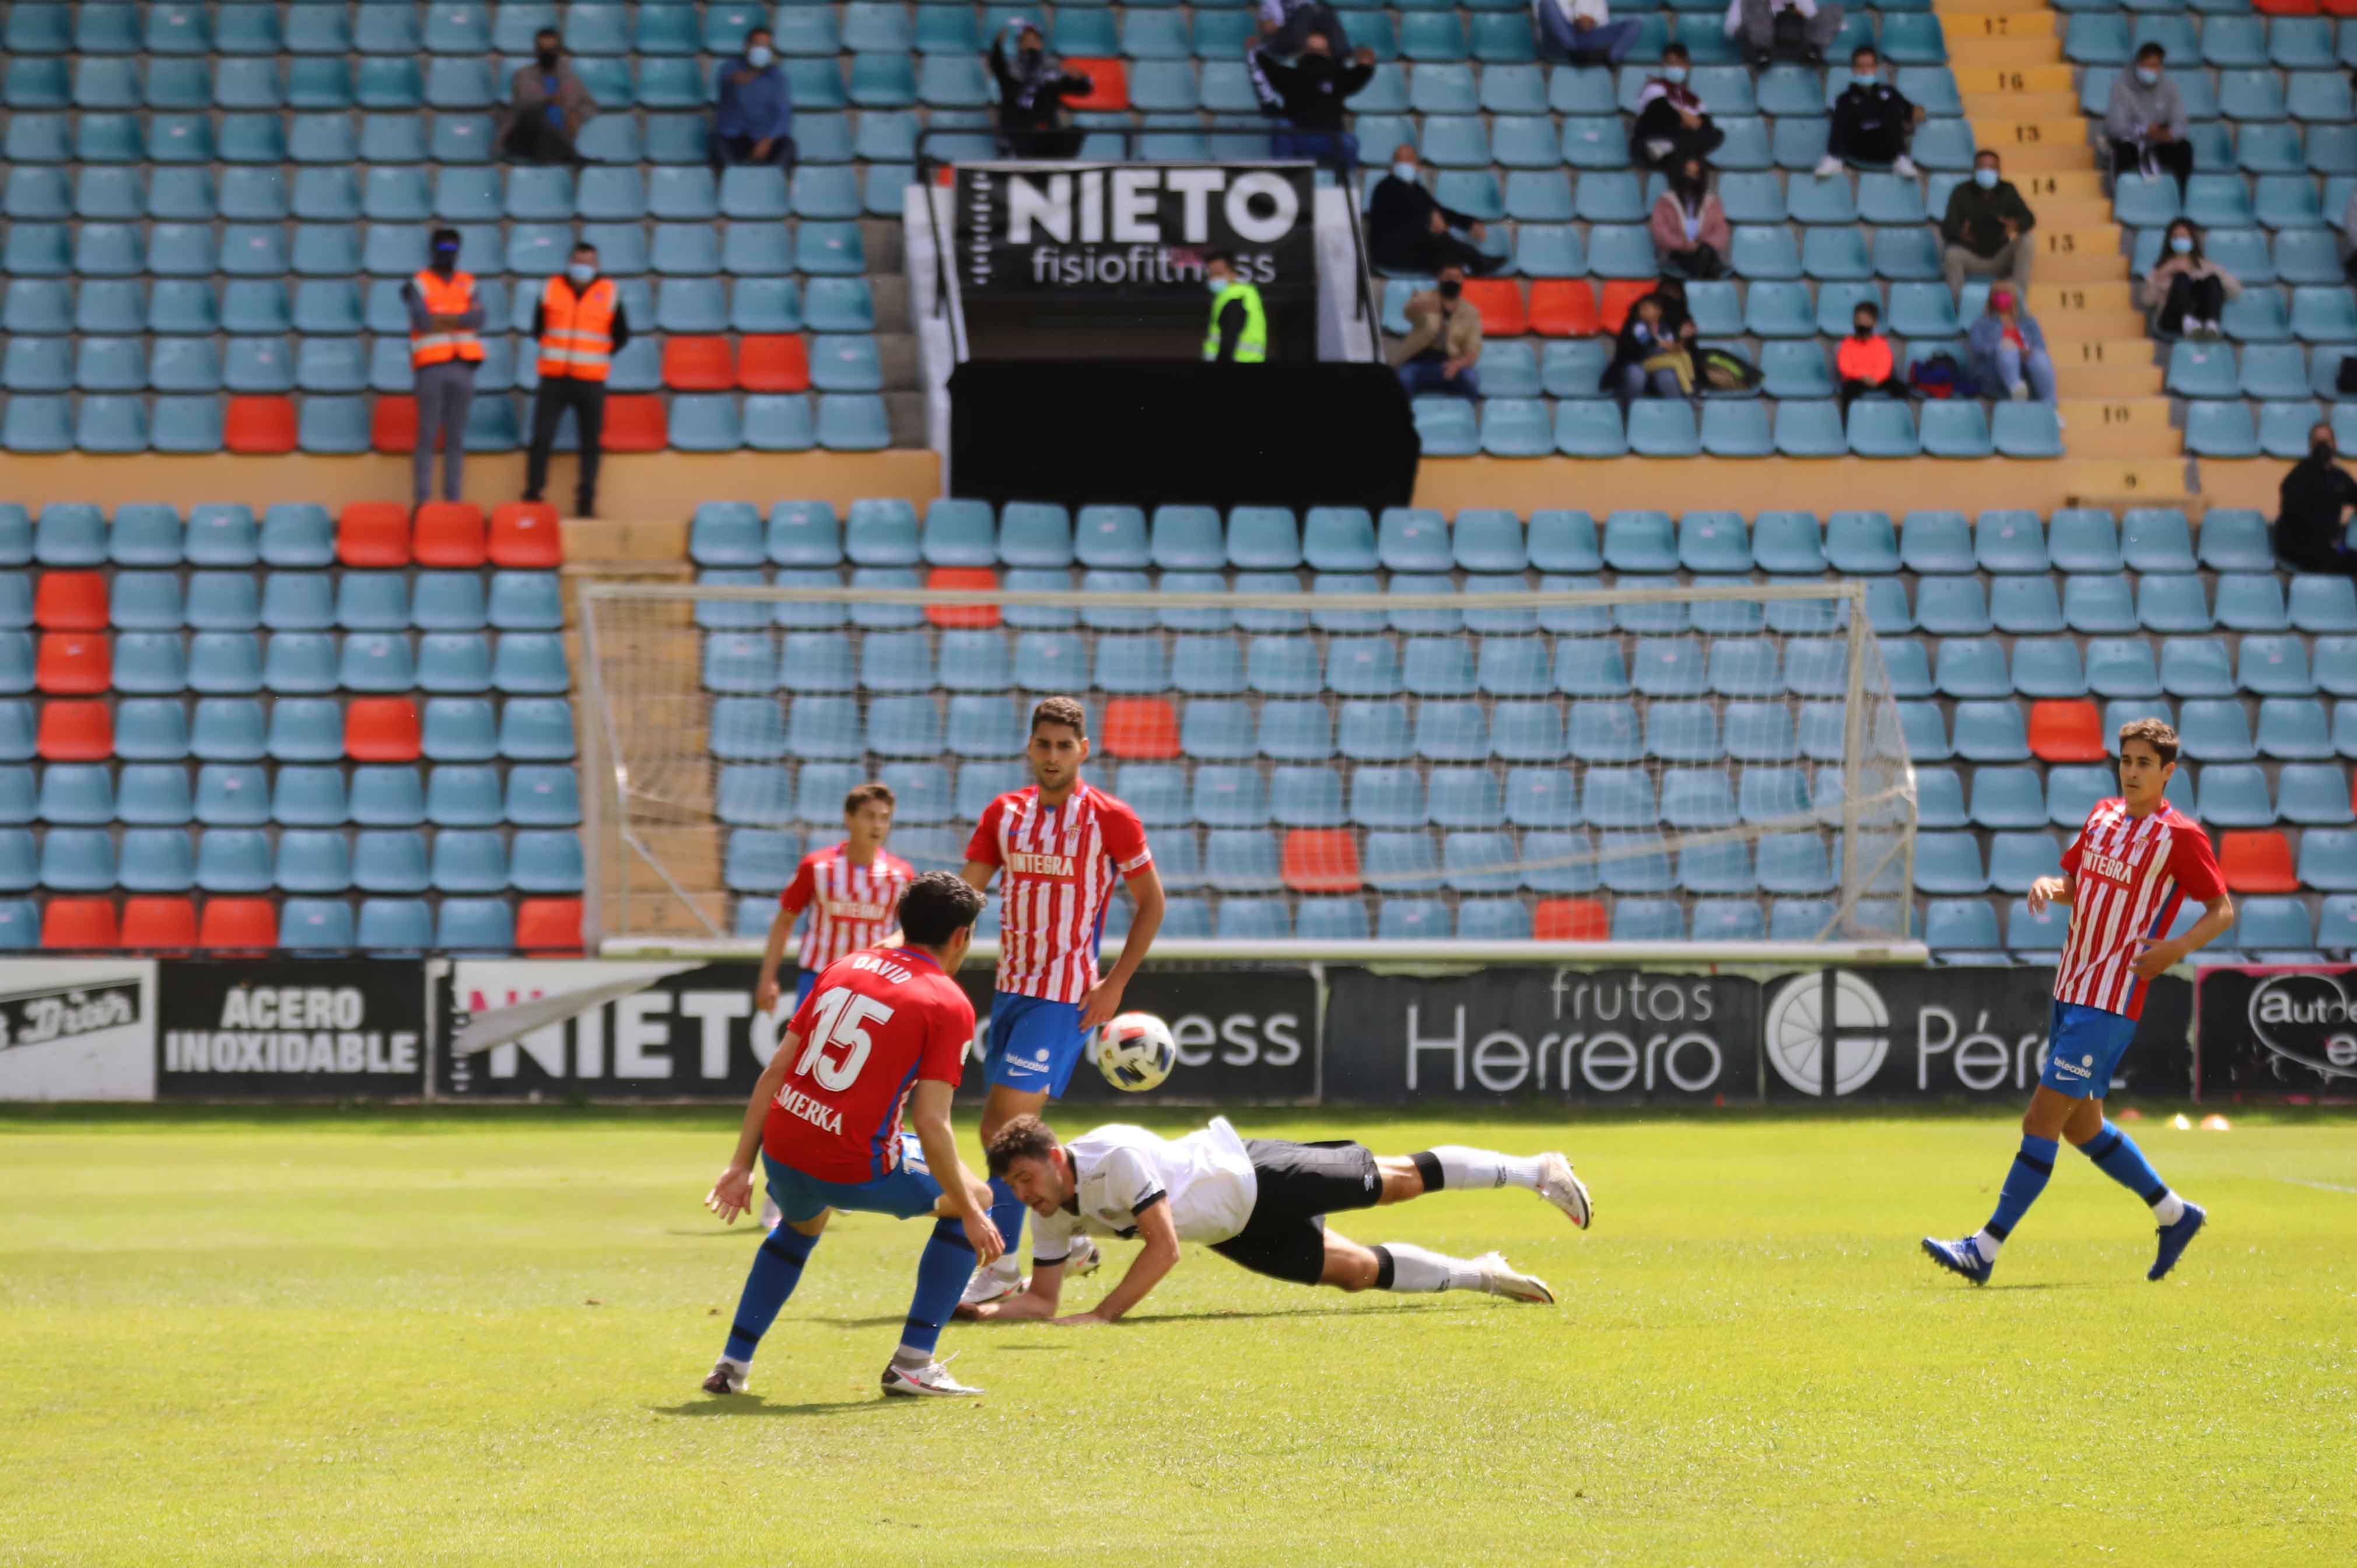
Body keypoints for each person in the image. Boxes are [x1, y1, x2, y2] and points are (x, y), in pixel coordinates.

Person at [1923, 719, 2230, 1289]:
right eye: (2127, 760)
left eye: (2145, 763)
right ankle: (2174, 1213)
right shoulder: (2103, 816)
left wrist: (2175, 950)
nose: (2133, 771)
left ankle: (1982, 1249)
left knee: (2040, 1117)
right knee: (2082, 1126)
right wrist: (2048, 884)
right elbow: (2079, 884)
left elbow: (2222, 909)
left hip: (2111, 999)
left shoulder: (2181, 837)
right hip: (2072, 988)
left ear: (2168, 772)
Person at [699, 872, 1004, 1399]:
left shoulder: (845, 967)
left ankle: (731, 1364)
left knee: (799, 1226)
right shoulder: (947, 1002)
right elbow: (932, 1122)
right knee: (975, 1195)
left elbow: (775, 1071)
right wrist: (974, 1212)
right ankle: (914, 1363)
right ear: (961, 937)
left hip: (785, 1149)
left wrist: (740, 1164)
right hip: (854, 1163)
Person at [959, 1115, 1591, 1323]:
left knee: (1396, 1182)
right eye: (1013, 1184)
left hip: (1253, 1174)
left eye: (1024, 1178)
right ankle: (1482, 1274)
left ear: (1053, 1156)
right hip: (1235, 1230)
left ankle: (1536, 1169)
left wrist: (1101, 1315)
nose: (1022, 1193)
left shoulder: (1113, 1158)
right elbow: (1042, 1301)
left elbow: (1164, 1248)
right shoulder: (1050, 1212)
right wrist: (974, 1314)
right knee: (1356, 1272)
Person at [954, 696, 1167, 1310]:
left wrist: (1116, 983)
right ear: (1030, 747)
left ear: (1083, 749)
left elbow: (1151, 902)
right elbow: (965, 895)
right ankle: (1068, 1236)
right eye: (1043, 744)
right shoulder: (1005, 812)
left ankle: (1003, 1265)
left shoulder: (1109, 817)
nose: (1052, 756)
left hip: (1062, 995)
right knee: (998, 1130)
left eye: (1063, 746)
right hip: (1011, 988)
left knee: (1005, 1131)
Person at [755, 782, 916, 1023]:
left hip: (874, 983)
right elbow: (785, 920)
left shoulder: (901, 874)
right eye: (869, 816)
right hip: (819, 977)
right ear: (848, 818)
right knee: (804, 1055)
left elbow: (912, 931)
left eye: (884, 818)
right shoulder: (817, 867)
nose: (877, 826)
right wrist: (768, 979)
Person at [521, 241, 629, 519]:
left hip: (591, 380)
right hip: (554, 378)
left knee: (590, 442)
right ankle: (533, 494)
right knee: (542, 438)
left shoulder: (610, 292)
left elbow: (622, 334)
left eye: (588, 262)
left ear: (596, 266)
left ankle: (586, 500)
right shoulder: (551, 288)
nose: (583, 267)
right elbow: (537, 328)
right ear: (570, 262)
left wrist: (599, 354)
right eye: (578, 261)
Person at [403, 228, 483, 507]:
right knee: (427, 436)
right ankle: (423, 502)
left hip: (463, 367)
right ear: (433, 249)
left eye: (453, 248)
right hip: (431, 367)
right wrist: (460, 318)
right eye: (443, 247)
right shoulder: (419, 283)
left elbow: (479, 318)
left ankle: (453, 503)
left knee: (456, 439)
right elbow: (423, 322)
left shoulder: (468, 282)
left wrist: (442, 317)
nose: (448, 253)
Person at [1250, 30, 1375, 174]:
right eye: (1312, 50)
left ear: (1329, 53)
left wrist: (1357, 52)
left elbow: (1365, 66)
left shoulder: (1339, 77)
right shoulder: (1290, 76)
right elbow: (1264, 63)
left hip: (1330, 139)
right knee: (1281, 126)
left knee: (1349, 142)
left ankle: (1345, 190)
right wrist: (1257, 47)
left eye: (1320, 51)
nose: (1316, 57)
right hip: (1298, 138)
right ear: (1304, 52)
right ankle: (1284, 181)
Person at [1365, 145, 1497, 276]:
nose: (1405, 165)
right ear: (1393, 166)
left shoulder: (1417, 189)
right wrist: (1429, 222)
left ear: (1418, 167)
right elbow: (1404, 218)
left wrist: (1469, 224)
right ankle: (1476, 263)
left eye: (1409, 160)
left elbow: (1438, 210)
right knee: (1442, 240)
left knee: (1443, 244)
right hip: (1391, 254)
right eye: (1401, 161)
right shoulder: (1384, 188)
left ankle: (1470, 267)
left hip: (1414, 250)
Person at [987, 20, 1093, 159]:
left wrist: (1081, 78)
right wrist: (997, 45)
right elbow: (997, 64)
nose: (1031, 43)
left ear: (1041, 44)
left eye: (1035, 39)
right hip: (1018, 132)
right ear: (1019, 44)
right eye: (1026, 40)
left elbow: (1084, 89)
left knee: (1076, 133)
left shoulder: (1052, 73)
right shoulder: (1010, 71)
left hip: (1047, 131)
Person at [1941, 149, 2036, 296]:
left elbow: (2029, 219)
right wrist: (1961, 234)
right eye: (1982, 168)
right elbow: (1947, 228)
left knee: (2027, 240)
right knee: (1952, 254)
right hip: (1971, 256)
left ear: (1999, 171)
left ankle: (2018, 299)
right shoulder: (1961, 192)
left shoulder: (2008, 190)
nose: (1987, 172)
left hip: (2000, 256)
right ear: (1974, 170)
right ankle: (1957, 308)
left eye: (1991, 168)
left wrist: (2014, 225)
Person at [1818, 45, 1921, 178]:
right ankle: (1834, 158)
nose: (1865, 71)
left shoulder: (1889, 92)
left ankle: (1901, 158)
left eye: (1869, 66)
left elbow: (1914, 111)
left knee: (1892, 103)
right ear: (1854, 70)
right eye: (1860, 66)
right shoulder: (1846, 98)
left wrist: (1912, 117)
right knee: (1842, 106)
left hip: (1886, 147)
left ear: (1875, 68)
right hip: (1858, 146)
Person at [496, 28, 595, 166]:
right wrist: (548, 101)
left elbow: (590, 105)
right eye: (543, 49)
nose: (548, 54)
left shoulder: (569, 78)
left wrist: (578, 115)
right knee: (535, 118)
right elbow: (524, 105)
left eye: (552, 50)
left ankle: (565, 155)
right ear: (536, 51)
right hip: (524, 141)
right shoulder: (524, 76)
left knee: (556, 133)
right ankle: (570, 157)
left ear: (559, 51)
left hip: (557, 144)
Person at [2106, 42, 2191, 202]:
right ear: (2139, 64)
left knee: (2184, 149)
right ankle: (2120, 200)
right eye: (2148, 65)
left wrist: (2167, 135)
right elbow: (2115, 127)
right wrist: (2142, 130)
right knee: (2121, 150)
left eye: (2156, 66)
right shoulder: (2121, 87)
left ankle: (2180, 201)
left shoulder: (2170, 88)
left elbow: (2181, 124)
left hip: (2160, 142)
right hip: (2133, 142)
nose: (2152, 70)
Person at [2274, 422, 2357, 576]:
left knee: (2345, 553)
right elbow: (2295, 516)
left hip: (2331, 545)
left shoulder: (2340, 477)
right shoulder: (2297, 477)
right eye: (2319, 442)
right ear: (2311, 446)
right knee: (2330, 555)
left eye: (2327, 442)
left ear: (2335, 445)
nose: (2324, 447)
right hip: (2300, 544)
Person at [1393, 264, 1484, 399]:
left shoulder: (1471, 313)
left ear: (1462, 281)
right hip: (1419, 361)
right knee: (1404, 380)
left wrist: (1458, 364)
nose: (1452, 281)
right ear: (1439, 279)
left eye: (1456, 278)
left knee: (1471, 380)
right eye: (1448, 277)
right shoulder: (1425, 298)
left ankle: (1465, 416)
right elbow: (1408, 313)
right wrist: (1421, 305)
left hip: (1450, 363)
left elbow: (1473, 348)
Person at [711, 26, 794, 171]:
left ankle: (773, 186)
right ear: (747, 47)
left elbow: (783, 114)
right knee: (717, 144)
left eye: (766, 46)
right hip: (734, 137)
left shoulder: (778, 77)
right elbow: (731, 79)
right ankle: (731, 184)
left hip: (763, 138)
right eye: (758, 45)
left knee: (788, 146)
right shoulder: (730, 68)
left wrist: (768, 140)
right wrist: (753, 72)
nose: (762, 50)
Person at [1630, 44, 1724, 170]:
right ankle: (1676, 152)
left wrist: (1684, 118)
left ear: (1687, 67)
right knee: (1660, 113)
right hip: (1651, 141)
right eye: (1670, 63)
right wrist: (1686, 120)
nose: (1674, 67)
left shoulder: (1693, 99)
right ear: (1663, 66)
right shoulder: (1654, 87)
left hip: (1676, 143)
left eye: (1679, 64)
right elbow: (1662, 113)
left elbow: (1705, 123)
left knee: (1716, 134)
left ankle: (1673, 151)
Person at [2142, 219, 2238, 339]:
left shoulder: (2206, 265)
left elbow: (2235, 291)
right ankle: (2188, 322)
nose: (2179, 240)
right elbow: (2147, 301)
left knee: (2212, 279)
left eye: (2183, 236)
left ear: (2192, 239)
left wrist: (2214, 274)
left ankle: (2212, 324)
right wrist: (2161, 275)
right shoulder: (2162, 268)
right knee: (2182, 278)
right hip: (2172, 321)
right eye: (2175, 237)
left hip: (2201, 320)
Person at [1602, 290, 1693, 409]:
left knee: (1673, 369)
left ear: (1659, 311)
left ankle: (1679, 407)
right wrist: (1667, 346)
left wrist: (1680, 340)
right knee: (1636, 374)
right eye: (1642, 309)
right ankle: (1630, 413)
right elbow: (1649, 344)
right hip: (1641, 362)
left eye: (1648, 308)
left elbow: (1673, 347)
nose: (1643, 312)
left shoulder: (1665, 327)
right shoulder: (1637, 326)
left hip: (1661, 361)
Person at [1968, 285, 2055, 402]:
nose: (2001, 298)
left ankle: (2050, 405)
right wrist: (2000, 348)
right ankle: (2017, 389)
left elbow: (2041, 346)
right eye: (1997, 294)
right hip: (1994, 372)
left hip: (2027, 370)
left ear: (2014, 297)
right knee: (2007, 348)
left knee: (2039, 356)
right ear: (1991, 299)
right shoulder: (1981, 323)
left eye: (2005, 294)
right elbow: (1977, 348)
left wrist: (2026, 351)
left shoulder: (2029, 321)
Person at [1649, 156, 1731, 279]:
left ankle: (1702, 269)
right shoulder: (1665, 201)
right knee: (1704, 262)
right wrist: (1683, 244)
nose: (1691, 177)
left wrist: (1703, 245)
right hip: (1675, 254)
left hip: (1704, 251)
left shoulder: (1712, 202)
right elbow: (1660, 230)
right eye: (1688, 172)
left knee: (1704, 254)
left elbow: (1721, 230)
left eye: (1695, 173)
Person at [1836, 299, 1904, 413]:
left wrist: (1876, 378)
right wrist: (1862, 377)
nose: (1861, 323)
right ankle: (1847, 424)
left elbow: (1886, 365)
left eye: (1865, 319)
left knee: (1901, 389)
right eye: (1858, 319)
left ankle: (1898, 419)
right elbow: (1845, 367)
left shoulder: (1881, 344)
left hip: (1879, 380)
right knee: (1848, 390)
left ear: (1874, 322)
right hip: (1857, 380)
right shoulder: (1847, 344)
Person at [1726, 0, 1843, 66]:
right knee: (1755, 6)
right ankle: (1762, 54)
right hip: (1760, 49)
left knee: (1835, 10)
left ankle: (1813, 54)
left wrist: (1799, 14)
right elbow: (1730, 30)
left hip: (1796, 46)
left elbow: (1818, 25)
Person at [1203, 250, 1269, 364]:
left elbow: (1229, 340)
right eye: (1211, 274)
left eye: (1219, 274)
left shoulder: (1235, 298)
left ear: (1233, 274)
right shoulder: (1246, 294)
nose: (1214, 279)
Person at [1533, 0, 1638, 65]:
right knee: (1546, 3)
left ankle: (1609, 58)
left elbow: (1589, 26)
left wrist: (1584, 16)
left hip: (1587, 41)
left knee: (1635, 24)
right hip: (1561, 44)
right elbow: (1545, 22)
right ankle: (1577, 52)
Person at [1258, 0, 1351, 59]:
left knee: (1322, 10)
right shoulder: (1271, 2)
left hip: (1311, 42)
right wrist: (1312, 42)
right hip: (1283, 44)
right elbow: (1269, 29)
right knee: (1308, 10)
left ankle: (1340, 52)